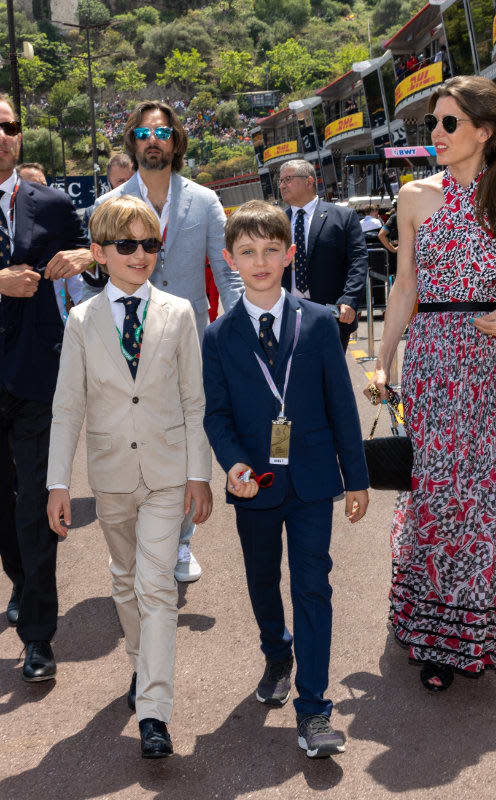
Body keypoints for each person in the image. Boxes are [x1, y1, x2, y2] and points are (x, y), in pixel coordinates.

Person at [366, 75, 496, 691]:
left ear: (484, 131)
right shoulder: (415, 196)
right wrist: (382, 358)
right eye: (431, 124)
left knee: (487, 488)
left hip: (491, 361)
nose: (435, 135)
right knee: (438, 487)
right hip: (434, 358)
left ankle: (482, 625)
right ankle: (437, 633)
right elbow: (405, 286)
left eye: (448, 124)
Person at [46, 195, 212, 758]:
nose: (140, 255)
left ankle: (154, 711)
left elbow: (195, 399)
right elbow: (68, 406)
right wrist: (58, 484)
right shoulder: (80, 321)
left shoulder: (180, 313)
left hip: (167, 473)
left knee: (156, 587)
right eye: (127, 246)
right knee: (124, 582)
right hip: (111, 474)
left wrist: (199, 475)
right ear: (99, 253)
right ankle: (143, 668)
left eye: (149, 245)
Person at [202, 200, 369, 758]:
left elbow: (342, 406)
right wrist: (233, 464)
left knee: (313, 585)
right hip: (255, 485)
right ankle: (277, 650)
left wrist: (358, 478)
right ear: (230, 259)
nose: (261, 261)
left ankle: (315, 708)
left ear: (290, 254)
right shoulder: (219, 337)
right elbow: (217, 416)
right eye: (247, 252)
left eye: (271, 250)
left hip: (314, 481)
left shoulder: (320, 322)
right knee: (260, 577)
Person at [75, 100, 244, 583]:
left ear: (176, 142)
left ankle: (181, 540)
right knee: (133, 435)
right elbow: (96, 277)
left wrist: (236, 331)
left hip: (187, 337)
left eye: (164, 133)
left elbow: (226, 276)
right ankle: (136, 534)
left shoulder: (206, 201)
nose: (154, 141)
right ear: (133, 141)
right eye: (145, 133)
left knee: (186, 433)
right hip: (126, 337)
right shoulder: (108, 206)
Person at [0, 94, 89, 680]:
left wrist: (83, 255)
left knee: (35, 503)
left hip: (37, 377)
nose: (2, 134)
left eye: (8, 125)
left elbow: (99, 252)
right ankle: (25, 581)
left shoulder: (52, 203)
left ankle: (38, 635)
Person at [278, 159, 368, 352]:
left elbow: (358, 261)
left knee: (330, 378)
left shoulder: (343, 217)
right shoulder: (276, 222)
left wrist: (350, 299)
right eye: (281, 180)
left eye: (288, 179)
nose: (282, 185)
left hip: (331, 314)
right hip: (287, 313)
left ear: (309, 181)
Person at [16, 161, 85, 320]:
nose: (39, 193)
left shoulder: (60, 230)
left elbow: (78, 284)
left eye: (43, 186)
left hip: (54, 328)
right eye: (31, 187)